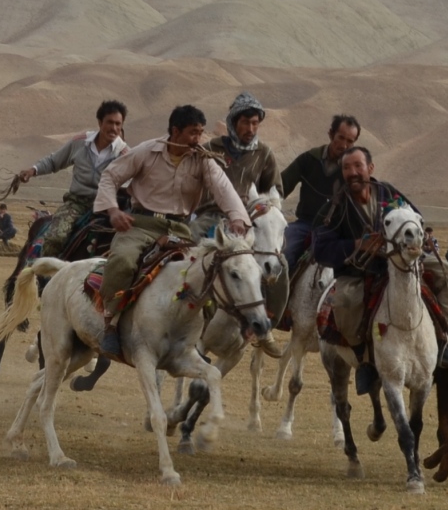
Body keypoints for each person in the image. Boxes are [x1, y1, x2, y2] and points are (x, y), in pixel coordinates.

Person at [93, 104, 251, 356]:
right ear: (175, 131)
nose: (198, 139)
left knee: (207, 273)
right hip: (140, 225)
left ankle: (197, 336)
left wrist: (237, 218)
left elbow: (224, 189)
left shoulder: (203, 160)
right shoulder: (147, 151)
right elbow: (111, 176)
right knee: (122, 261)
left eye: (200, 132)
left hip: (180, 229)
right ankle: (110, 323)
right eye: (192, 133)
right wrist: (113, 211)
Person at [313, 145, 448, 394]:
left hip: (403, 260)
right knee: (344, 302)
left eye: (358, 166)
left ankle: (447, 341)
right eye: (346, 168)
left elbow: (415, 217)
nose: (352, 172)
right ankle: (364, 359)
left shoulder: (387, 192)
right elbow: (320, 249)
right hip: (360, 271)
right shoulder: (335, 207)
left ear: (370, 168)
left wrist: (413, 239)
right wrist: (357, 244)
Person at [190, 92, 287, 327]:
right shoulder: (211, 148)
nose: (250, 129)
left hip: (248, 221)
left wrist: (261, 210)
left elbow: (274, 193)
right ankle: (184, 310)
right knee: (188, 243)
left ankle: (268, 323)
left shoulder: (264, 154)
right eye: (245, 122)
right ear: (233, 122)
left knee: (279, 264)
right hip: (211, 215)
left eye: (255, 123)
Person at [18, 100, 128, 258]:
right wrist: (32, 170)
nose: (114, 128)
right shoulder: (80, 143)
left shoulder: (125, 154)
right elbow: (54, 161)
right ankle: (45, 270)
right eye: (110, 122)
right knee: (56, 238)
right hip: (77, 203)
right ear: (100, 122)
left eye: (118, 124)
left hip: (108, 208)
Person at [281, 114, 360, 271]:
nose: (344, 145)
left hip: (336, 232)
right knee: (283, 253)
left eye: (350, 141)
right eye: (341, 138)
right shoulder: (309, 159)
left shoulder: (352, 172)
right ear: (331, 134)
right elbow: (280, 186)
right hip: (305, 225)